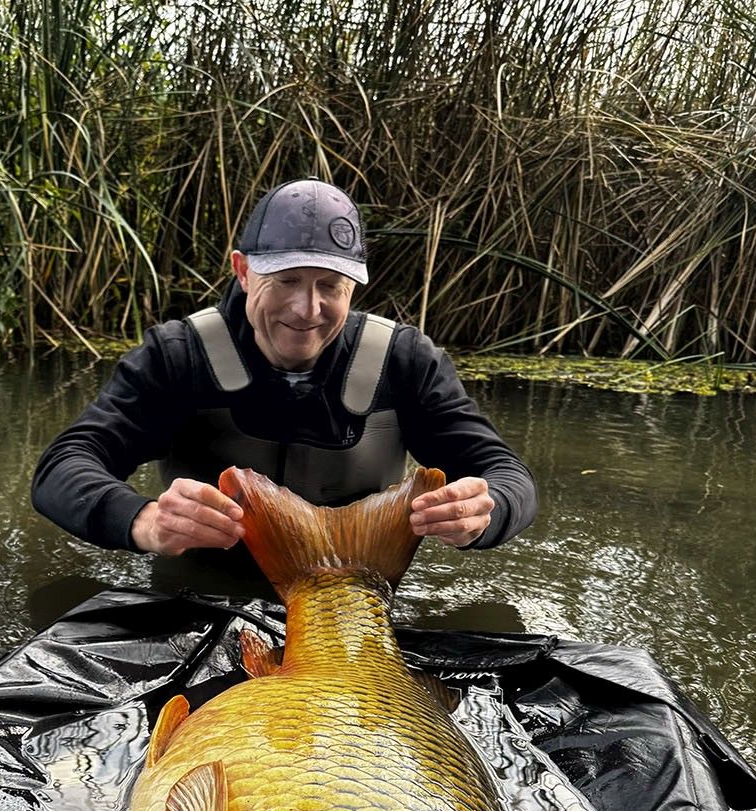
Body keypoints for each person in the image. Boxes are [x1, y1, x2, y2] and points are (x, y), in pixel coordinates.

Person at [32, 179, 537, 587]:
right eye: (287, 280)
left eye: (330, 287)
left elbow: (507, 474)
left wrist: (483, 514)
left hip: (355, 609)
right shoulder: (178, 356)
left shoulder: (404, 360)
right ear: (244, 272)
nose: (307, 310)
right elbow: (63, 468)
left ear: (355, 287)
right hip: (200, 598)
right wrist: (144, 520)